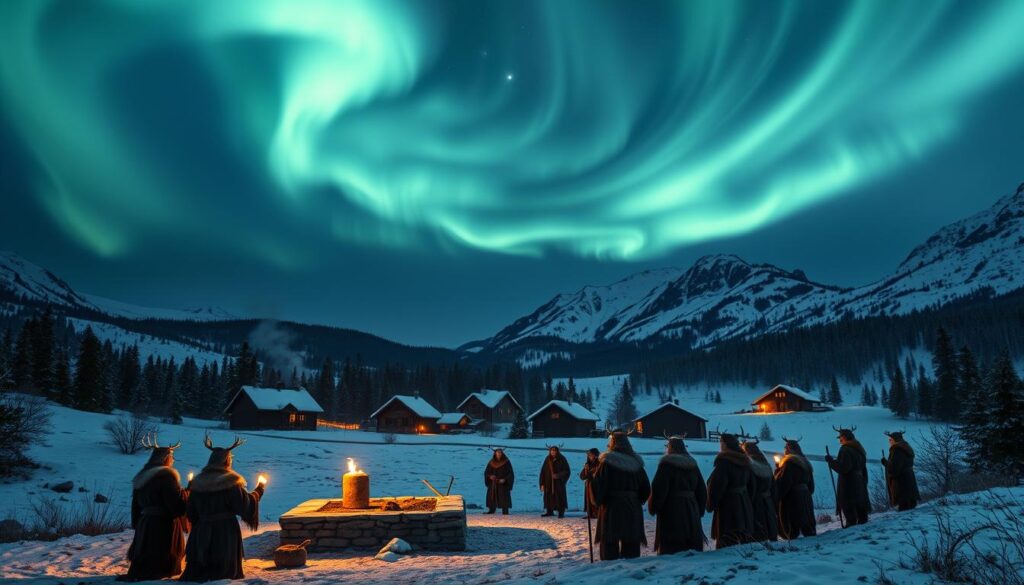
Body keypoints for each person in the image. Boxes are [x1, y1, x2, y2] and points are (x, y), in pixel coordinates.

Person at [180, 435, 264, 582]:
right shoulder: (230, 482)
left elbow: (191, 512)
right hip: (224, 532)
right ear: (226, 460)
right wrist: (258, 491)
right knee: (222, 572)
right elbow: (244, 506)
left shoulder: (197, 482)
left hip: (201, 531)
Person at [119, 436, 189, 582]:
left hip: (145, 523)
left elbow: (135, 504)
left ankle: (142, 570)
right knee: (161, 550)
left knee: (145, 549)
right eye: (171, 457)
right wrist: (187, 493)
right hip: (163, 524)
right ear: (166, 458)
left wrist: (137, 523)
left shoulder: (142, 476)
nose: (173, 460)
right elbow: (176, 505)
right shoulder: (167, 477)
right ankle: (160, 571)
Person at [590, 429, 650, 560]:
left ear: (613, 443)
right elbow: (646, 488)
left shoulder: (607, 462)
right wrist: (637, 500)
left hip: (612, 506)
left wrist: (598, 500)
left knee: (609, 539)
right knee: (631, 539)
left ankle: (610, 565)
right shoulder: (637, 463)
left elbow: (599, 485)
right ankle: (631, 565)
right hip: (632, 506)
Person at [648, 435, 706, 554]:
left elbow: (659, 488)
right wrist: (699, 509)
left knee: (673, 546)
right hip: (691, 508)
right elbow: (701, 489)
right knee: (691, 543)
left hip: (672, 509)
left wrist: (654, 507)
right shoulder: (692, 465)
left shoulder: (666, 465)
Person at [705, 432, 755, 549]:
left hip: (729, 507)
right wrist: (747, 502)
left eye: (721, 443)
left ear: (725, 444)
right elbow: (752, 485)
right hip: (744, 505)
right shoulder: (745, 462)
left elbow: (717, 486)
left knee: (727, 540)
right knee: (743, 540)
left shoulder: (725, 463)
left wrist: (710, 504)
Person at [825, 427, 870, 526]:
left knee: (848, 503)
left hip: (849, 482)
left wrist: (831, 462)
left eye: (840, 437)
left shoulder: (845, 449)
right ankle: (862, 523)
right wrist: (864, 481)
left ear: (845, 437)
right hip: (859, 480)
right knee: (859, 503)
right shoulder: (859, 449)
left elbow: (844, 468)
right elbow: (863, 468)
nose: (840, 440)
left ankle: (851, 525)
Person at [774, 437, 816, 540]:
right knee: (806, 518)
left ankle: (791, 535)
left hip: (792, 497)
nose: (784, 450)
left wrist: (777, 495)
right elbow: (811, 486)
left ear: (789, 448)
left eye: (785, 447)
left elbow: (784, 482)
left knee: (792, 519)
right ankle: (808, 532)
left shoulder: (790, 463)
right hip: (805, 495)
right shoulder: (805, 462)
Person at [741, 439, 778, 542]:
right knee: (769, 523)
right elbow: (773, 486)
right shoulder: (766, 463)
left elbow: (751, 486)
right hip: (768, 500)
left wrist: (749, 502)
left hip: (757, 501)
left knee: (759, 525)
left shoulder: (750, 464)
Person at [881, 431, 920, 512]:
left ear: (895, 439)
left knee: (904, 507)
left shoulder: (897, 450)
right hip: (909, 478)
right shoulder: (906, 447)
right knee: (910, 505)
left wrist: (885, 463)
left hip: (901, 482)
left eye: (890, 439)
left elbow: (894, 468)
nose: (889, 441)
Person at [539, 446, 570, 517]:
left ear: (557, 451)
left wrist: (558, 475)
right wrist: (542, 483)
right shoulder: (547, 459)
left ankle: (561, 512)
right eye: (552, 451)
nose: (553, 452)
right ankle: (549, 511)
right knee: (548, 496)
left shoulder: (562, 459)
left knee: (559, 497)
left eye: (554, 451)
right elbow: (543, 471)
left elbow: (567, 471)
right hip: (548, 482)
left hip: (558, 483)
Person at [484, 448, 514, 515]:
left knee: (504, 496)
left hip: (503, 483)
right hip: (493, 483)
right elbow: (487, 472)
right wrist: (490, 476)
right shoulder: (491, 462)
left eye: (500, 452)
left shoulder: (506, 462)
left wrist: (505, 479)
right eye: (498, 452)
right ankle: (491, 509)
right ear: (495, 453)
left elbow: (510, 473)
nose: (499, 454)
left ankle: (505, 511)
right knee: (492, 495)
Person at [579, 448, 600, 519]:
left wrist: (590, 474)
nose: (589, 456)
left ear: (595, 455)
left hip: (596, 485)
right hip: (588, 485)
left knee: (594, 499)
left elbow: (596, 474)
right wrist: (586, 470)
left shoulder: (599, 464)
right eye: (589, 455)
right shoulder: (588, 464)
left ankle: (597, 513)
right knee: (588, 499)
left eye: (591, 455)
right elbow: (582, 476)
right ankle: (590, 513)